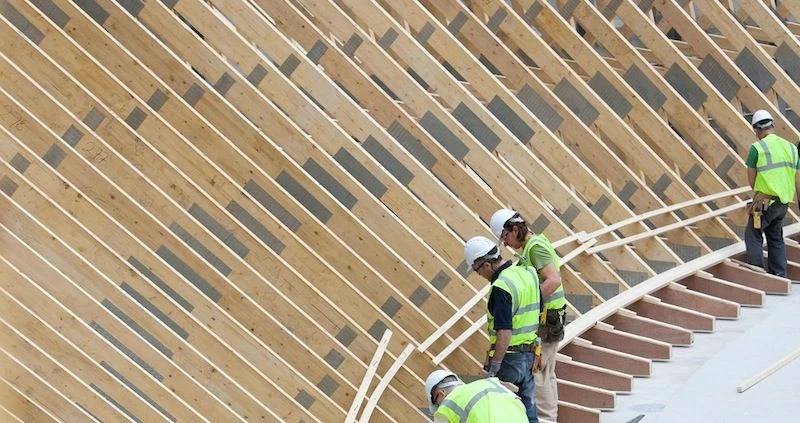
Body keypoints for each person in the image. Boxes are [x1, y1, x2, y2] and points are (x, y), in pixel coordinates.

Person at [490, 209, 566, 423]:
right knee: (546, 373)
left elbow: (553, 280)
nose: (505, 243)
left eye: (505, 236)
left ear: (515, 229)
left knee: (540, 374)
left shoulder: (536, 247)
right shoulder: (533, 245)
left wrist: (529, 302)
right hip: (549, 317)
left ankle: (546, 419)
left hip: (545, 320)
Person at [464, 236, 540, 423]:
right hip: (530, 354)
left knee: (505, 412)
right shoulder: (527, 271)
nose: (479, 275)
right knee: (528, 409)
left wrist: (495, 365)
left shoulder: (501, 287)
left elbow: (504, 331)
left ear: (487, 265)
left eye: (477, 270)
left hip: (509, 359)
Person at [744, 110, 800, 277]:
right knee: (775, 236)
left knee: (753, 233)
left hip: (764, 202)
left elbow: (751, 179)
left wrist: (759, 195)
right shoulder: (791, 148)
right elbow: (797, 179)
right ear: (772, 125)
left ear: (756, 129)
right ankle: (779, 273)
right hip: (783, 203)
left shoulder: (757, 148)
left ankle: (757, 269)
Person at [424, 370, 528, 422]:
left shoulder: (447, 406)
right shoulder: (491, 384)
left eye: (436, 403)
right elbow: (521, 406)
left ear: (441, 393)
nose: (439, 406)